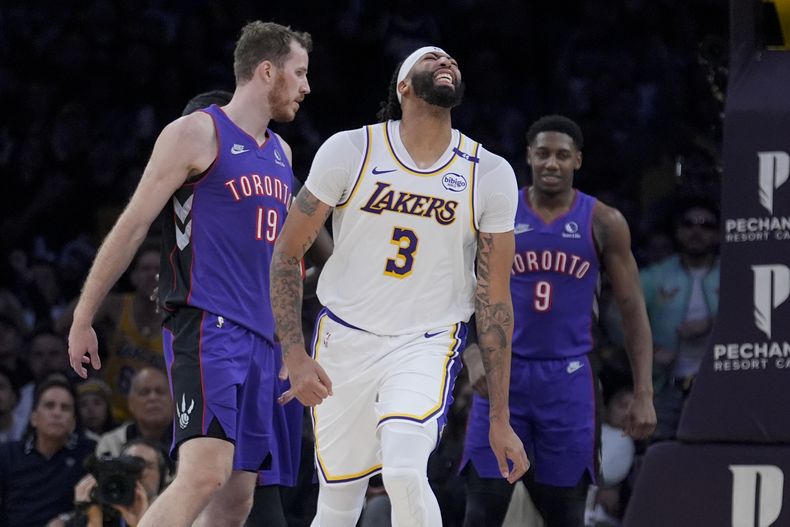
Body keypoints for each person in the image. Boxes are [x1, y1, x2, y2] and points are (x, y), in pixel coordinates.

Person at [67, 21, 313, 527]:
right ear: (267, 72)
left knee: (235, 501)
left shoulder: (283, 154)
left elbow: (281, 263)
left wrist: (291, 344)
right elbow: (134, 225)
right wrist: (84, 314)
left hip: (263, 342)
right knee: (203, 475)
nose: (307, 86)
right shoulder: (195, 132)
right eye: (300, 72)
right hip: (208, 326)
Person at [270, 45, 529, 526]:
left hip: (427, 340)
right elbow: (287, 253)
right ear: (403, 85)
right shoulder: (351, 150)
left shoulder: (489, 173)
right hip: (343, 337)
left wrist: (499, 417)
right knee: (338, 500)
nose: (447, 63)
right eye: (432, 60)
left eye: (453, 60)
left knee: (405, 471)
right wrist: (294, 353)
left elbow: (494, 301)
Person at [461, 115, 656, 527]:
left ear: (577, 161)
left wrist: (644, 392)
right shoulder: (496, 211)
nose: (552, 163)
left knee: (566, 514)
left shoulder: (604, 221)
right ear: (529, 155)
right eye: (544, 153)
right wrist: (472, 352)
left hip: (568, 382)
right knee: (481, 511)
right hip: (501, 377)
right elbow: (457, 290)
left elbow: (633, 310)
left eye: (562, 155)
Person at [640, 196, 719, 440]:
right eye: (689, 224)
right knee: (658, 450)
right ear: (677, 231)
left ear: (718, 234)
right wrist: (651, 350)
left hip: (719, 384)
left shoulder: (735, 275)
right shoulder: (655, 276)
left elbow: (752, 319)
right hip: (665, 384)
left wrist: (711, 324)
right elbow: (618, 317)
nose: (697, 231)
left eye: (706, 225)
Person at [0, 377, 96, 527]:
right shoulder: (7, 454)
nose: (56, 413)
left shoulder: (88, 454)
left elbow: (97, 506)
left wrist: (66, 520)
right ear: (33, 417)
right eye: (49, 406)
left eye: (65, 408)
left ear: (73, 422)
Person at [95, 367, 172, 457]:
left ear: (173, 401)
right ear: (131, 403)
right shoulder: (111, 443)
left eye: (160, 392)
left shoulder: (188, 441)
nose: (153, 398)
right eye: (144, 392)